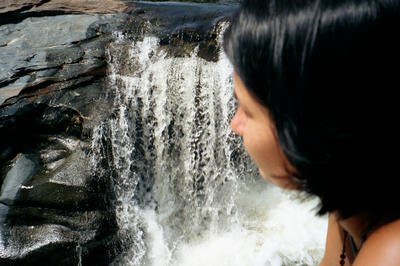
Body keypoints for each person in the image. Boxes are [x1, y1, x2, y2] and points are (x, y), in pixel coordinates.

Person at [223, 0, 400, 265]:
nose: (234, 124)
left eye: (247, 111)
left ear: (306, 122)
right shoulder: (350, 198)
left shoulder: (390, 252)